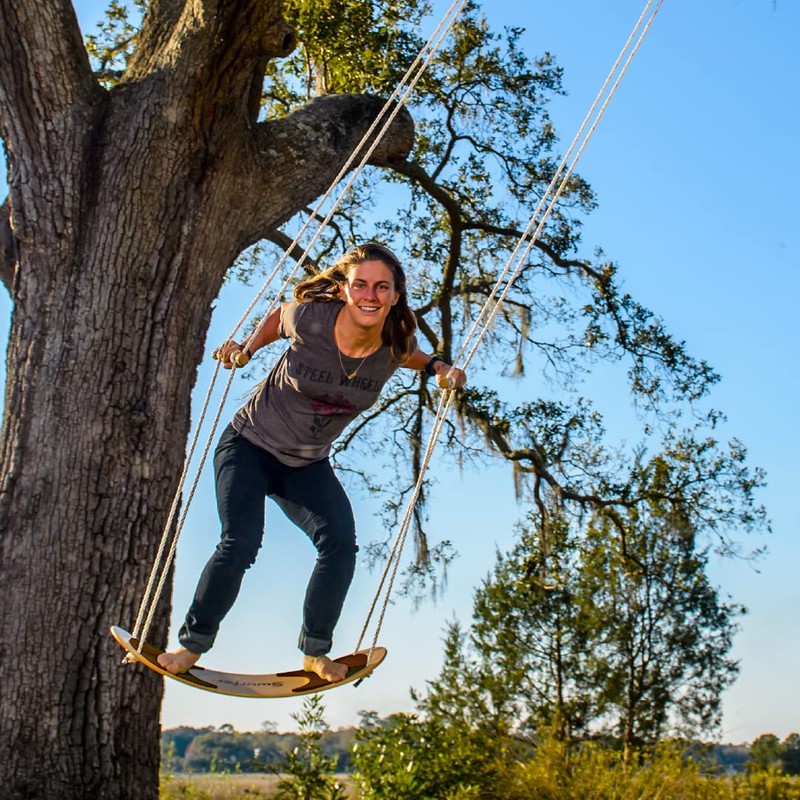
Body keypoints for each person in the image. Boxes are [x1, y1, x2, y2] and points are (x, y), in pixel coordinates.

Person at [158, 243, 467, 683]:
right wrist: (246, 348)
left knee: (340, 544)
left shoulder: (394, 345)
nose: (370, 295)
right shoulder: (311, 319)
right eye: (360, 284)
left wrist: (438, 366)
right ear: (344, 289)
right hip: (249, 446)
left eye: (382, 288)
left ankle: (315, 650)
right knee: (241, 542)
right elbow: (277, 317)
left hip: (305, 466)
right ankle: (192, 645)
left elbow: (412, 357)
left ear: (395, 297)